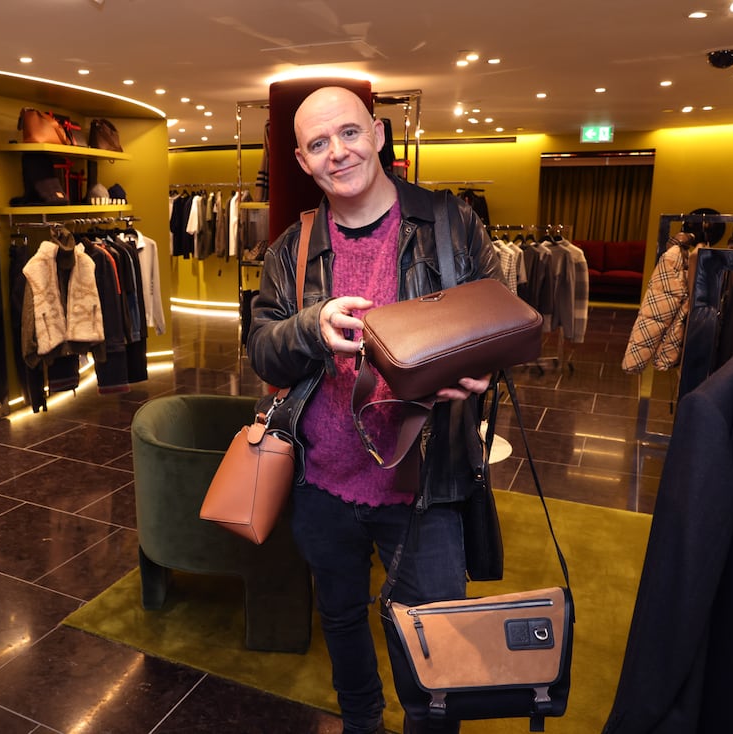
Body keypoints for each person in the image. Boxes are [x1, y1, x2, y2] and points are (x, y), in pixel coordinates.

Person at [247, 86, 504, 734]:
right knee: (339, 617)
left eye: (350, 133)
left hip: (428, 486)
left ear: (380, 134)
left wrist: (474, 371)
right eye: (318, 144)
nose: (338, 152)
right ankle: (361, 720)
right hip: (323, 484)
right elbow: (262, 349)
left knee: (433, 638)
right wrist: (309, 327)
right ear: (303, 162)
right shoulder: (291, 248)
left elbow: (500, 324)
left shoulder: (450, 225)